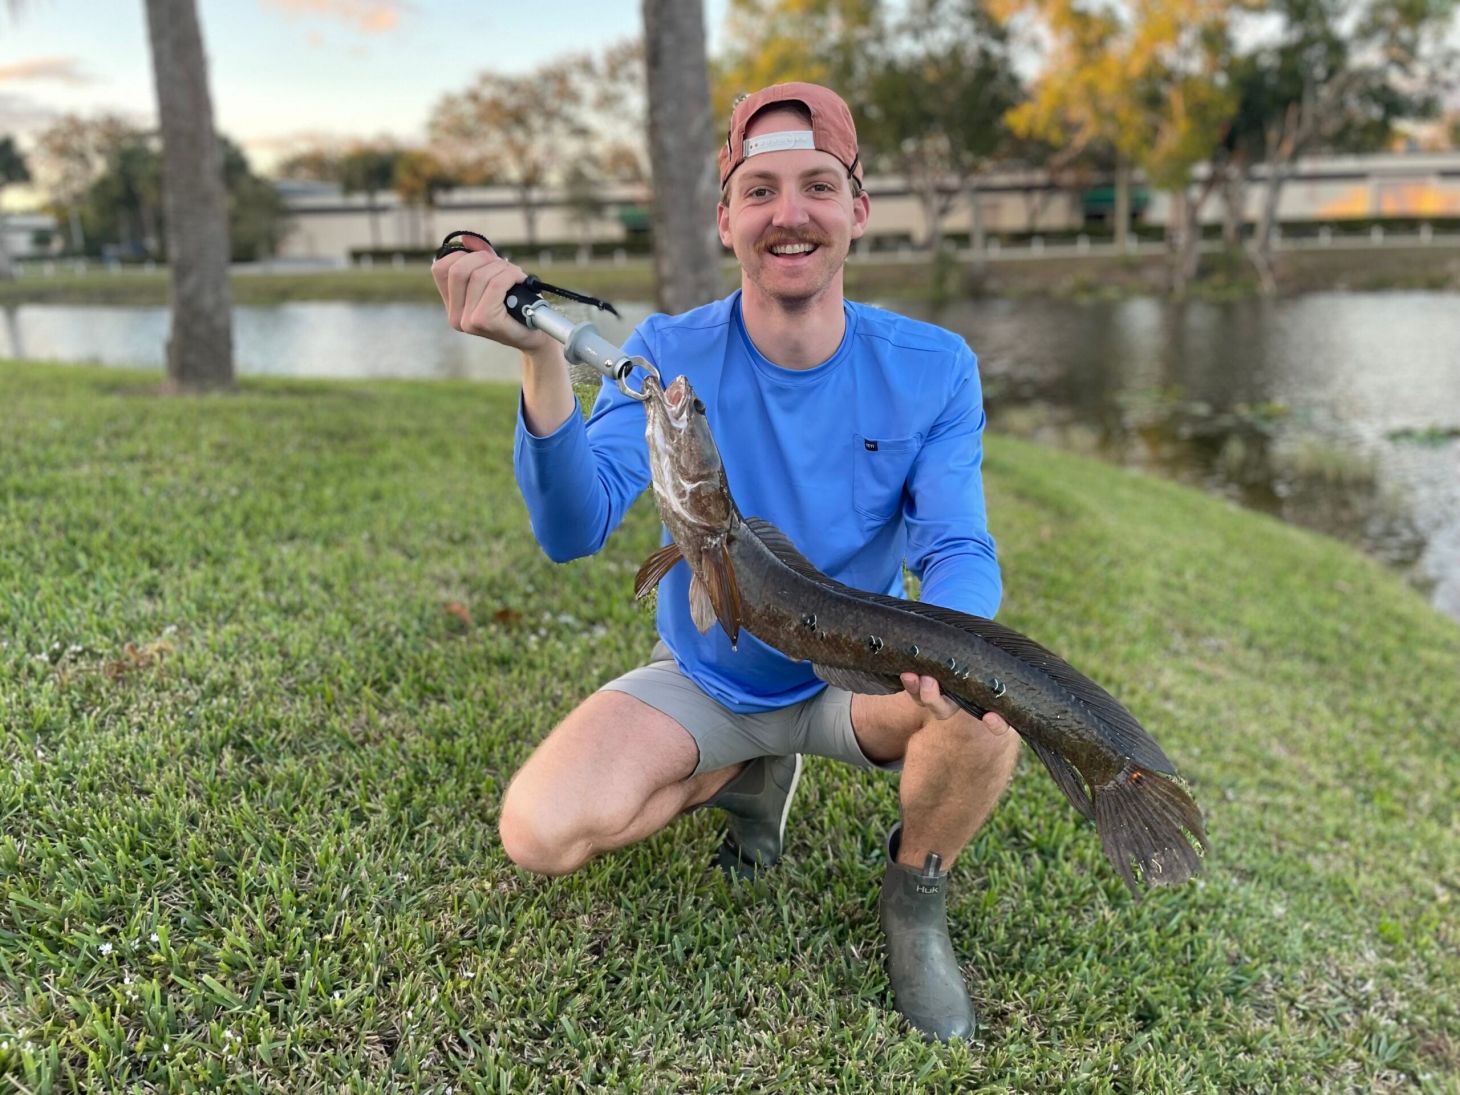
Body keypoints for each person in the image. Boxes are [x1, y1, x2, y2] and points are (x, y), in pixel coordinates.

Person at [432, 82, 1019, 1043]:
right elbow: (574, 529)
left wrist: (945, 642)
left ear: (857, 210)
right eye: (761, 191)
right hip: (711, 674)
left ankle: (915, 896)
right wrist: (537, 359)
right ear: (727, 218)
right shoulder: (666, 355)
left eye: (818, 187)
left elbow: (956, 544)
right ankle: (746, 766)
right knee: (539, 831)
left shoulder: (935, 364)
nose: (790, 214)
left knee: (987, 707)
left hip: (853, 676)